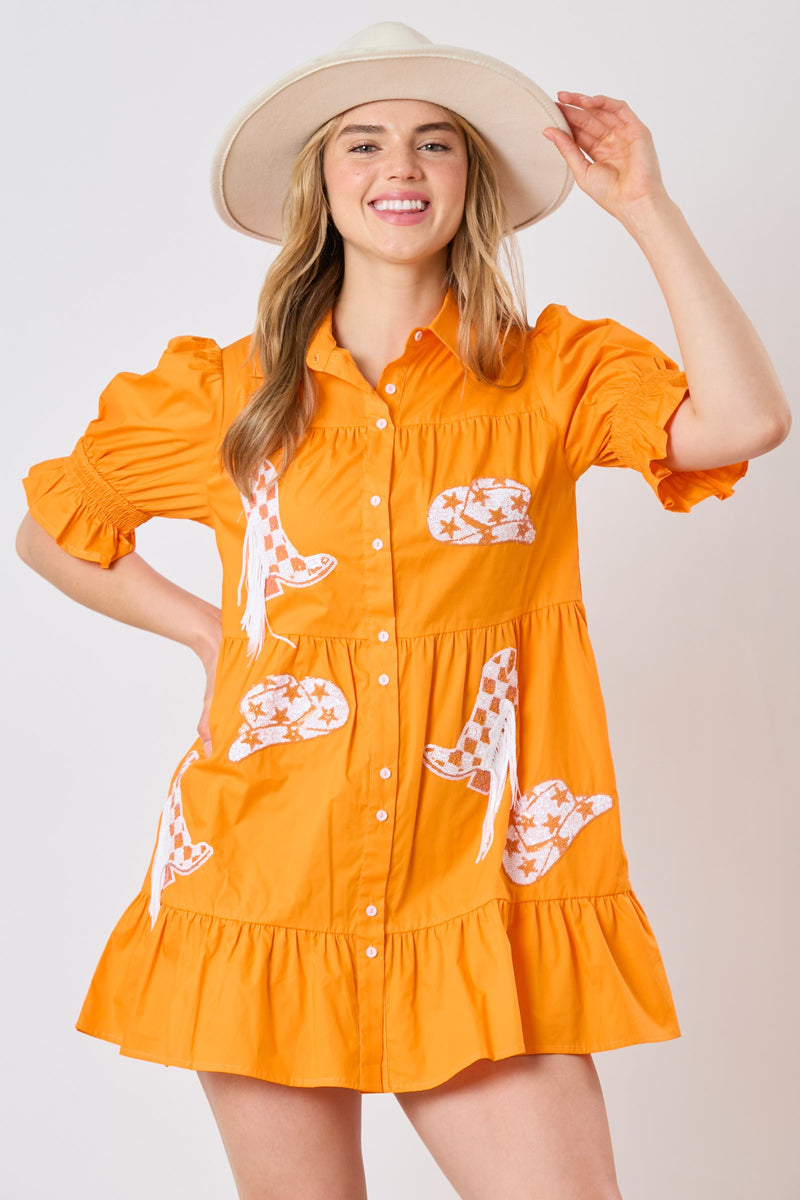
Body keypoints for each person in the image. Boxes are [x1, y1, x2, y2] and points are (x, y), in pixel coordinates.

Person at [15, 20, 790, 1200]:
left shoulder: (550, 373)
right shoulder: (225, 394)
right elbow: (53, 529)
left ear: (468, 179)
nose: (400, 167)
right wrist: (208, 631)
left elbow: (742, 420)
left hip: (478, 898)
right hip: (265, 885)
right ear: (320, 184)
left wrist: (643, 207)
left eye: (434, 143)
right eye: (363, 142)